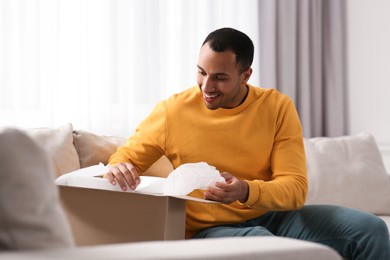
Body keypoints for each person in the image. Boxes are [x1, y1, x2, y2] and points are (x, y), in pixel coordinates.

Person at [104, 27, 390, 259]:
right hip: (208, 231)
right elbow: (127, 157)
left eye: (220, 78)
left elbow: (294, 190)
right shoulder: (173, 112)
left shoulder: (277, 107)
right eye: (201, 72)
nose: (206, 87)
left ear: (246, 75)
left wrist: (244, 190)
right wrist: (118, 167)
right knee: (266, 247)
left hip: (273, 217)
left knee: (370, 228)